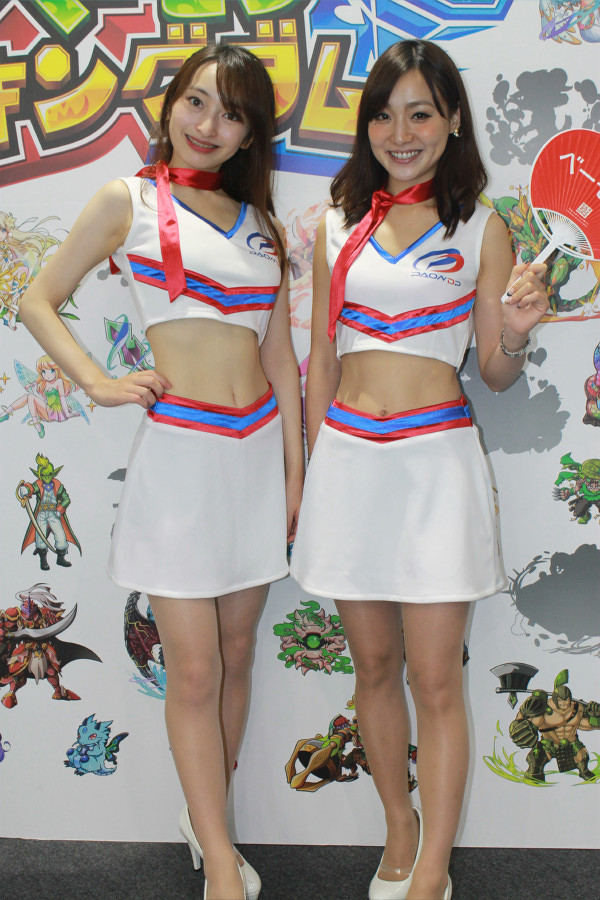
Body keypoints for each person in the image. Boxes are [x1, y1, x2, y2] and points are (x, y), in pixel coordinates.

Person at [20, 43, 303, 900]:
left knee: (239, 651)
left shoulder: (260, 223)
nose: (210, 125)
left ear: (250, 133)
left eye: (233, 114)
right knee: (195, 669)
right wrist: (99, 383)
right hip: (180, 457)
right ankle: (221, 863)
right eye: (197, 102)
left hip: (256, 454)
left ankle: (205, 820)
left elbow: (281, 361)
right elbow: (37, 298)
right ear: (171, 104)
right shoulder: (128, 199)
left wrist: (296, 475)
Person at [290, 39, 548, 900]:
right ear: (366, 125)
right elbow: (322, 361)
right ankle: (397, 829)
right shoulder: (336, 224)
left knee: (435, 679)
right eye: (384, 115)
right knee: (371, 668)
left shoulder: (482, 226)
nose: (400, 133)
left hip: (437, 467)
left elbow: (495, 370)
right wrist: (315, 474)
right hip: (350, 465)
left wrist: (517, 332)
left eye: (420, 114)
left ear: (453, 121)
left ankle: (432, 869)